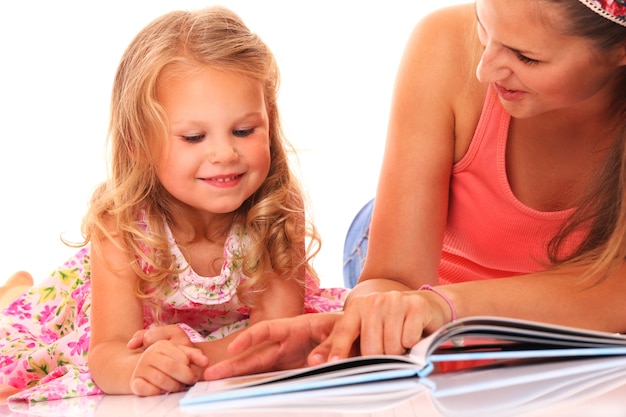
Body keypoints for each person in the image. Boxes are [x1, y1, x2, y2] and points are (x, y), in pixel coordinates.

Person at [202, 0, 626, 380]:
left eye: (526, 57)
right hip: (418, 267)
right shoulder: (444, 43)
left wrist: (443, 307)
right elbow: (392, 280)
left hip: (442, 303)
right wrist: (369, 320)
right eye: (483, 27)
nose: (484, 69)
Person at [0, 6, 347, 402]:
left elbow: (278, 336)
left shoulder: (275, 209)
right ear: (138, 144)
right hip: (93, 300)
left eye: (244, 130)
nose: (224, 153)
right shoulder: (121, 225)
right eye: (194, 137)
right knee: (24, 321)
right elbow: (107, 350)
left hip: (213, 336)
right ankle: (13, 290)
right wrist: (136, 368)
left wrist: (194, 354)